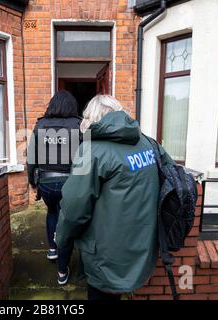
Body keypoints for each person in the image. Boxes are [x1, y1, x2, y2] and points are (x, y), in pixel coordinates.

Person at [55, 95, 173, 300]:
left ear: (91, 117)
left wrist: (62, 237)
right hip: (143, 243)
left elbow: (74, 208)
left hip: (106, 253)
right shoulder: (147, 143)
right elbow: (170, 175)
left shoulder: (90, 150)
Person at [27, 90, 82, 285]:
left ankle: (52, 250)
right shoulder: (79, 125)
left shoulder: (40, 125)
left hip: (47, 183)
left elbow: (31, 159)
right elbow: (87, 160)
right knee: (67, 221)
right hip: (72, 183)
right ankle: (62, 270)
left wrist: (33, 182)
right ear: (71, 106)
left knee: (52, 213)